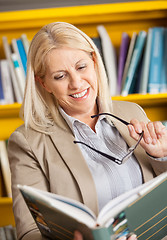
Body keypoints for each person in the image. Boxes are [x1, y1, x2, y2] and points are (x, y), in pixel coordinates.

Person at [7, 21, 167, 240]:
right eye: (60, 76)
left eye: (81, 67)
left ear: (94, 62)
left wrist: (160, 156)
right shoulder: (27, 142)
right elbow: (29, 232)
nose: (76, 83)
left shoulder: (133, 112)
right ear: (43, 83)